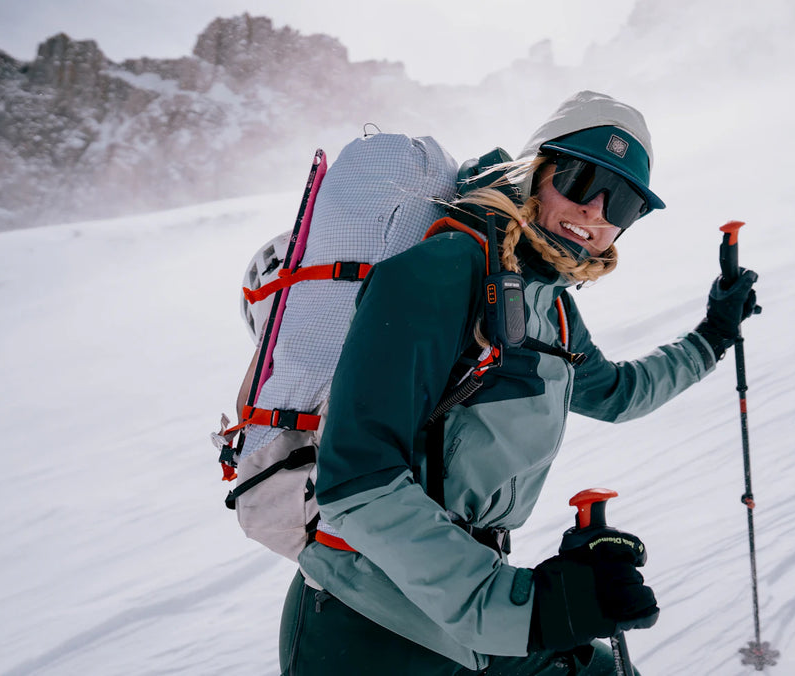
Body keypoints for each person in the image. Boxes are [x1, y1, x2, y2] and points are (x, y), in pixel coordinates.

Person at [278, 90, 759, 675]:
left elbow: (615, 393)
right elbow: (357, 482)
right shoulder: (445, 268)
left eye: (625, 204)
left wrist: (711, 335)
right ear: (537, 171)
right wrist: (530, 610)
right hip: (368, 625)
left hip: (465, 615)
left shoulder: (549, 307)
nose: (596, 212)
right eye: (582, 181)